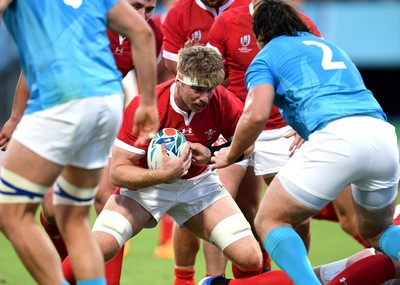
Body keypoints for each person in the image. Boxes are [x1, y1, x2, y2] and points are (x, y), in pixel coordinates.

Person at [211, 0, 400, 285]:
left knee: (268, 221)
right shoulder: (331, 48)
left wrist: (231, 154)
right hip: (383, 135)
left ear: (261, 34)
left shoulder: (266, 56)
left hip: (338, 138)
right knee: (376, 231)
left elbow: (256, 115)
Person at [60, 44, 276, 285]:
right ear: (179, 79)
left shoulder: (223, 101)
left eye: (210, 90)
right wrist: (162, 175)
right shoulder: (147, 106)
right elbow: (118, 172)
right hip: (144, 188)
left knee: (250, 257)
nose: (204, 98)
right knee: (99, 247)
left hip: (198, 184)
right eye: (197, 89)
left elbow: (248, 143)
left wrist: (214, 153)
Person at [0, 1, 157, 285]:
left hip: (62, 98)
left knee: (11, 214)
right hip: (107, 104)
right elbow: (143, 34)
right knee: (71, 217)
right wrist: (148, 103)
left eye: (149, 8)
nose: (144, 13)